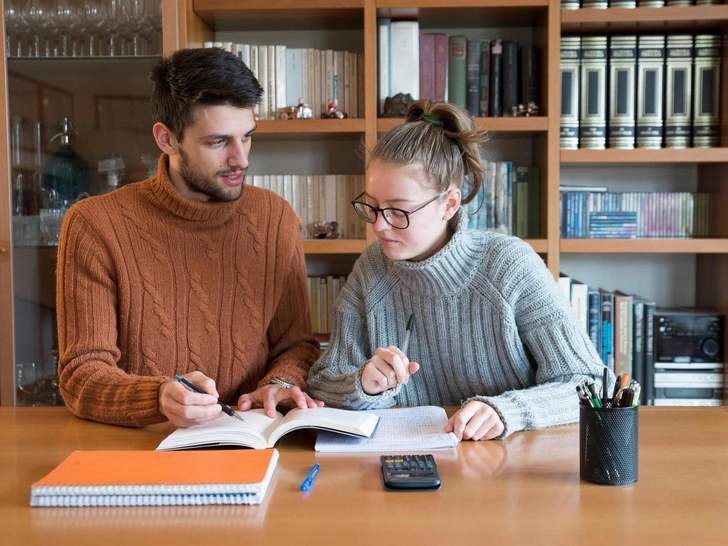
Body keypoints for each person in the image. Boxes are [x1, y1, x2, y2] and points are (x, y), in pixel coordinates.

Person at [307, 99, 612, 441]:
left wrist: (507, 410)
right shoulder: (372, 269)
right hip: (407, 463)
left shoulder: (509, 265)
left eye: (398, 211)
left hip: (506, 471)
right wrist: (362, 383)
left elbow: (589, 384)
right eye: (373, 207)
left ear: (449, 204)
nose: (378, 225)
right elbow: (322, 382)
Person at [56, 48, 322, 428]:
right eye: (218, 142)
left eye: (246, 137)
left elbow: (296, 346)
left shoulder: (274, 217)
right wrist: (158, 396)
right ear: (166, 139)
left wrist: (279, 383)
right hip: (143, 450)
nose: (241, 159)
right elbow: (82, 374)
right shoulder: (95, 225)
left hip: (256, 441)